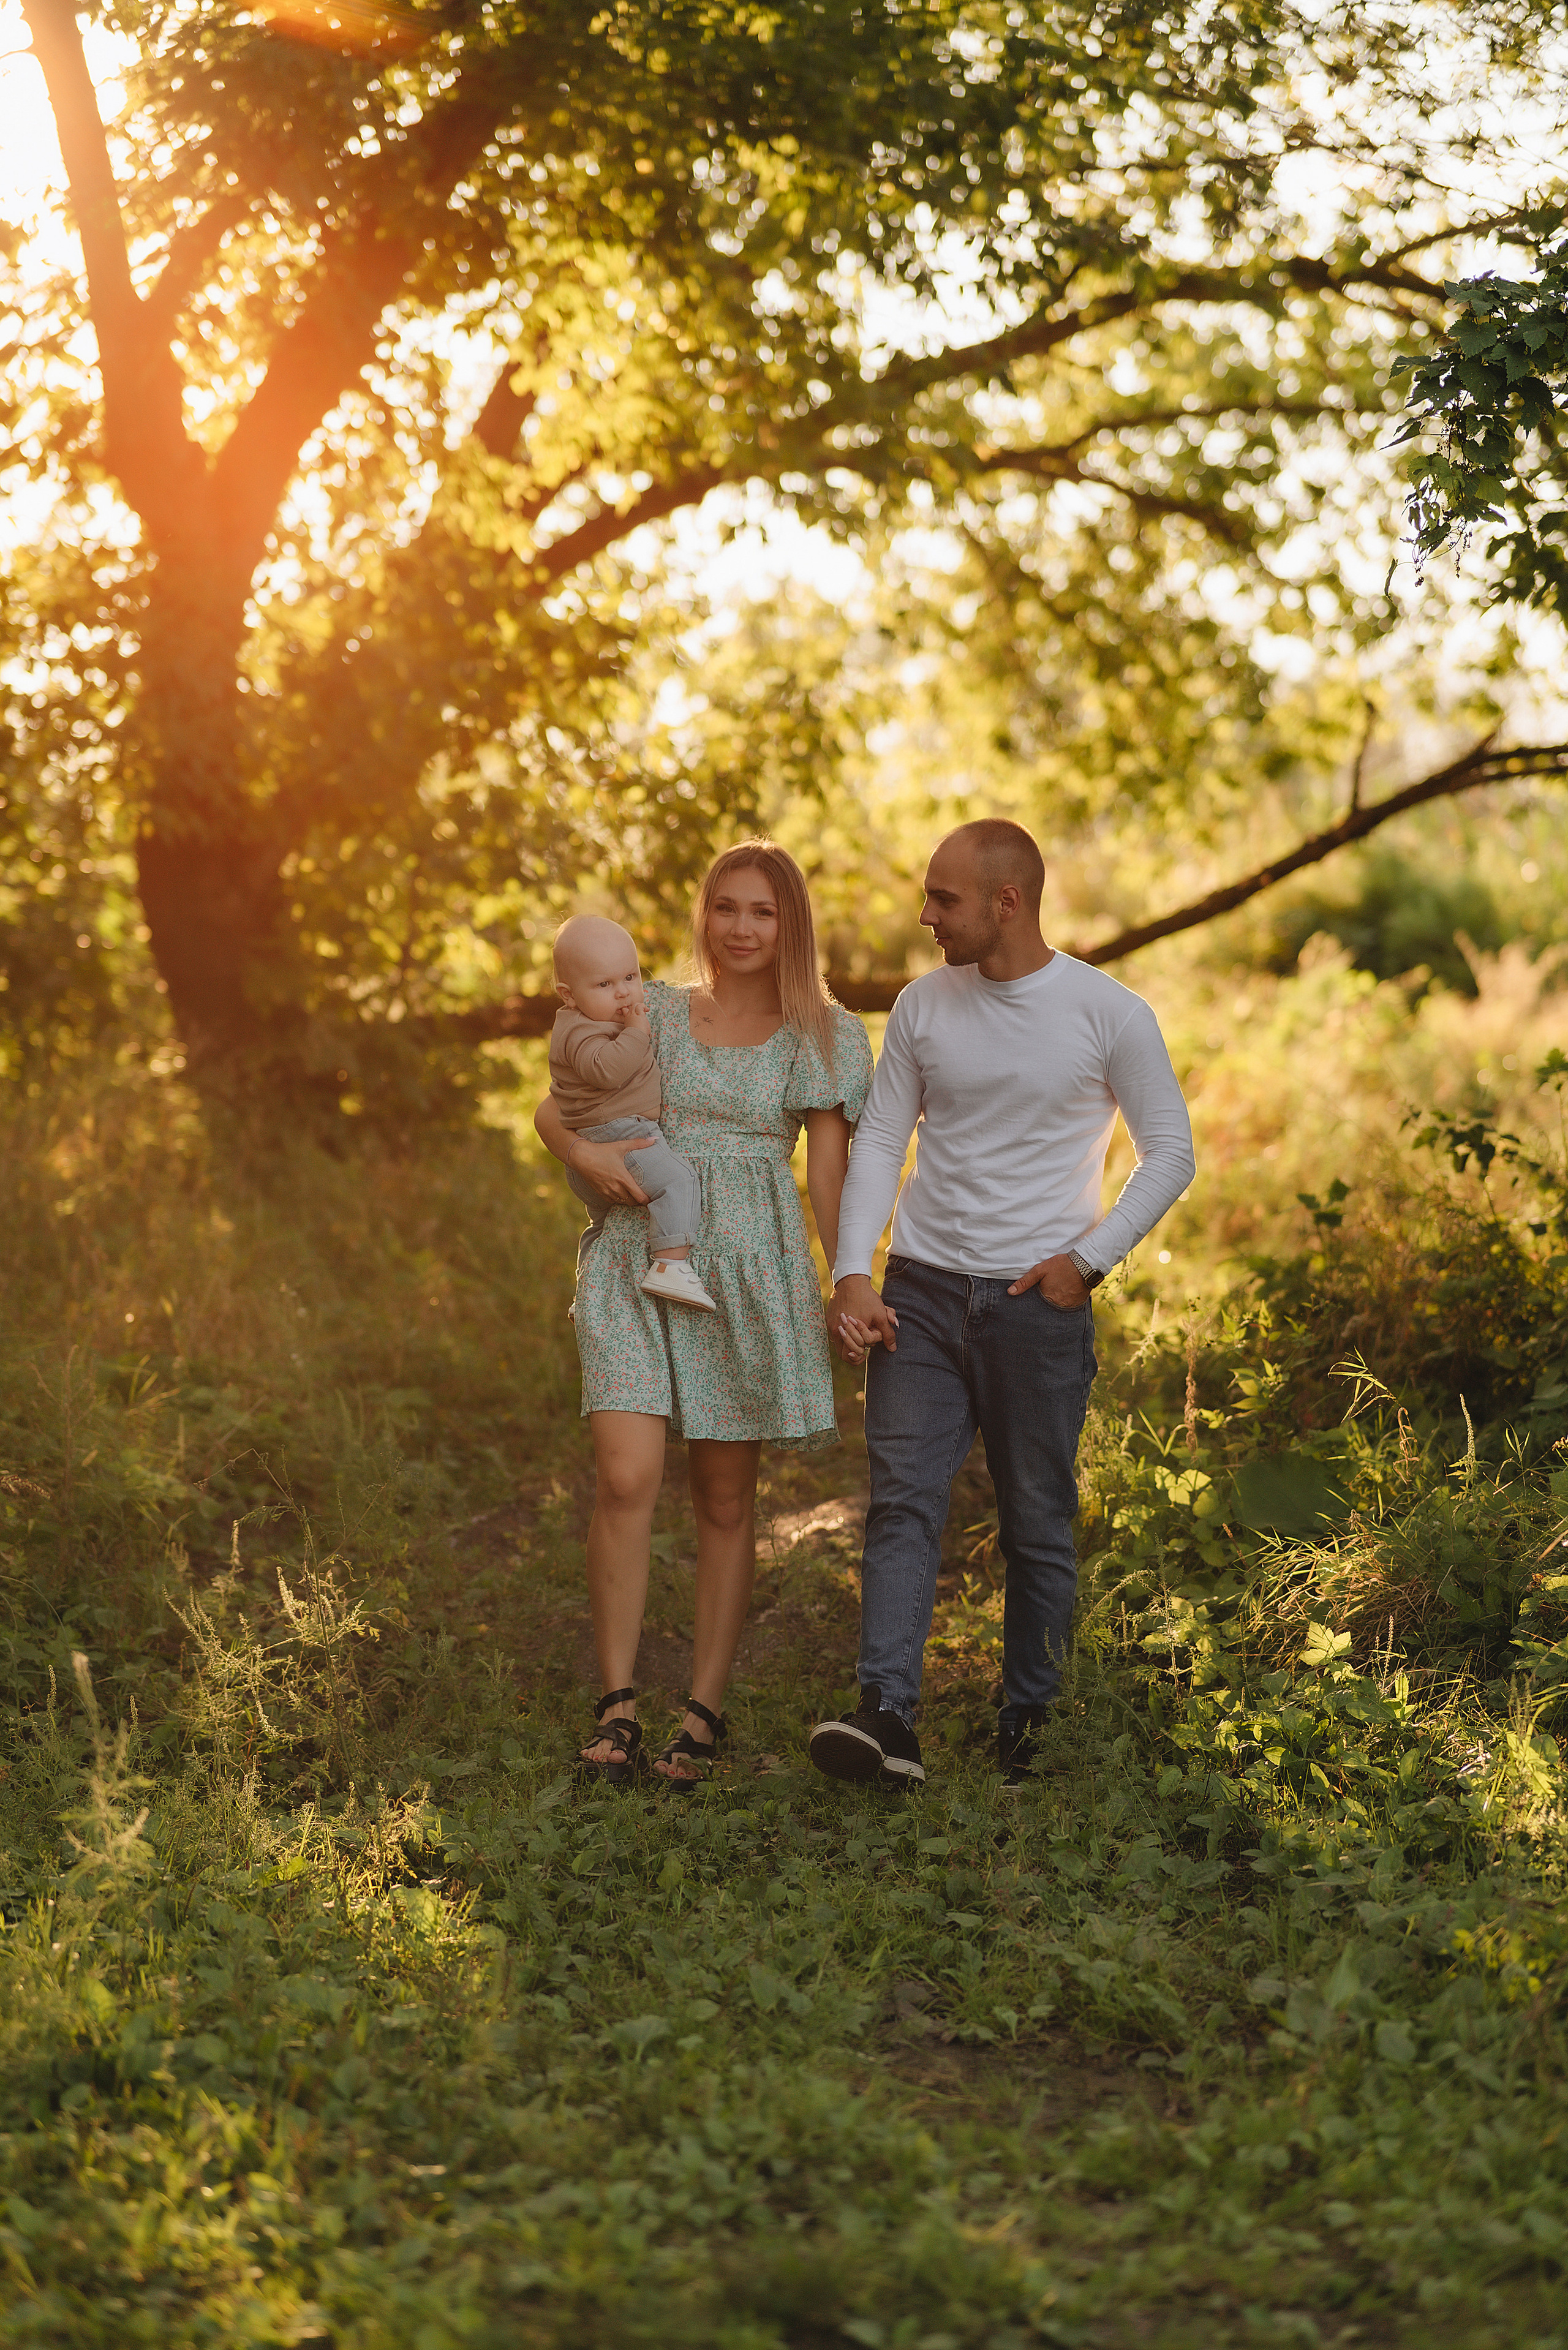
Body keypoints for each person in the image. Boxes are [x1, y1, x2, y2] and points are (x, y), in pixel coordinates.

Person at [810, 818, 1196, 1788]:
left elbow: (1172, 1152)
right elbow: (883, 1141)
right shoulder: (922, 1007)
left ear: (1006, 903)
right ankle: (887, 1715)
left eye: (945, 899)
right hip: (924, 1297)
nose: (927, 915)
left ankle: (1031, 1723)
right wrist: (854, 1271)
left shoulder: (1109, 1013)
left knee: (1037, 1519)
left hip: (1037, 1308)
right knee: (901, 1503)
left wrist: (1090, 1260)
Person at [533, 842, 872, 1788]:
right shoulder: (656, 1011)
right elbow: (561, 1103)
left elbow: (830, 1174)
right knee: (626, 1473)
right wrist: (582, 1155)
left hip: (749, 1269)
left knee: (725, 1497)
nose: (741, 927)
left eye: (762, 911)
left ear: (789, 922)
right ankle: (617, 1704)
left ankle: (702, 1710)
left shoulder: (825, 1033)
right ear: (704, 915)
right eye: (726, 907)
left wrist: (848, 1278)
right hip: (636, 1251)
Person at [549, 913, 717, 1314]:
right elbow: (607, 1070)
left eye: (630, 977)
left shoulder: (600, 1017)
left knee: (600, 1226)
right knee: (678, 1179)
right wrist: (637, 1033)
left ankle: (587, 1293)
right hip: (618, 1136)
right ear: (568, 994)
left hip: (599, 1141)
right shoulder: (577, 1029)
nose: (624, 993)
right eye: (605, 984)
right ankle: (671, 1265)